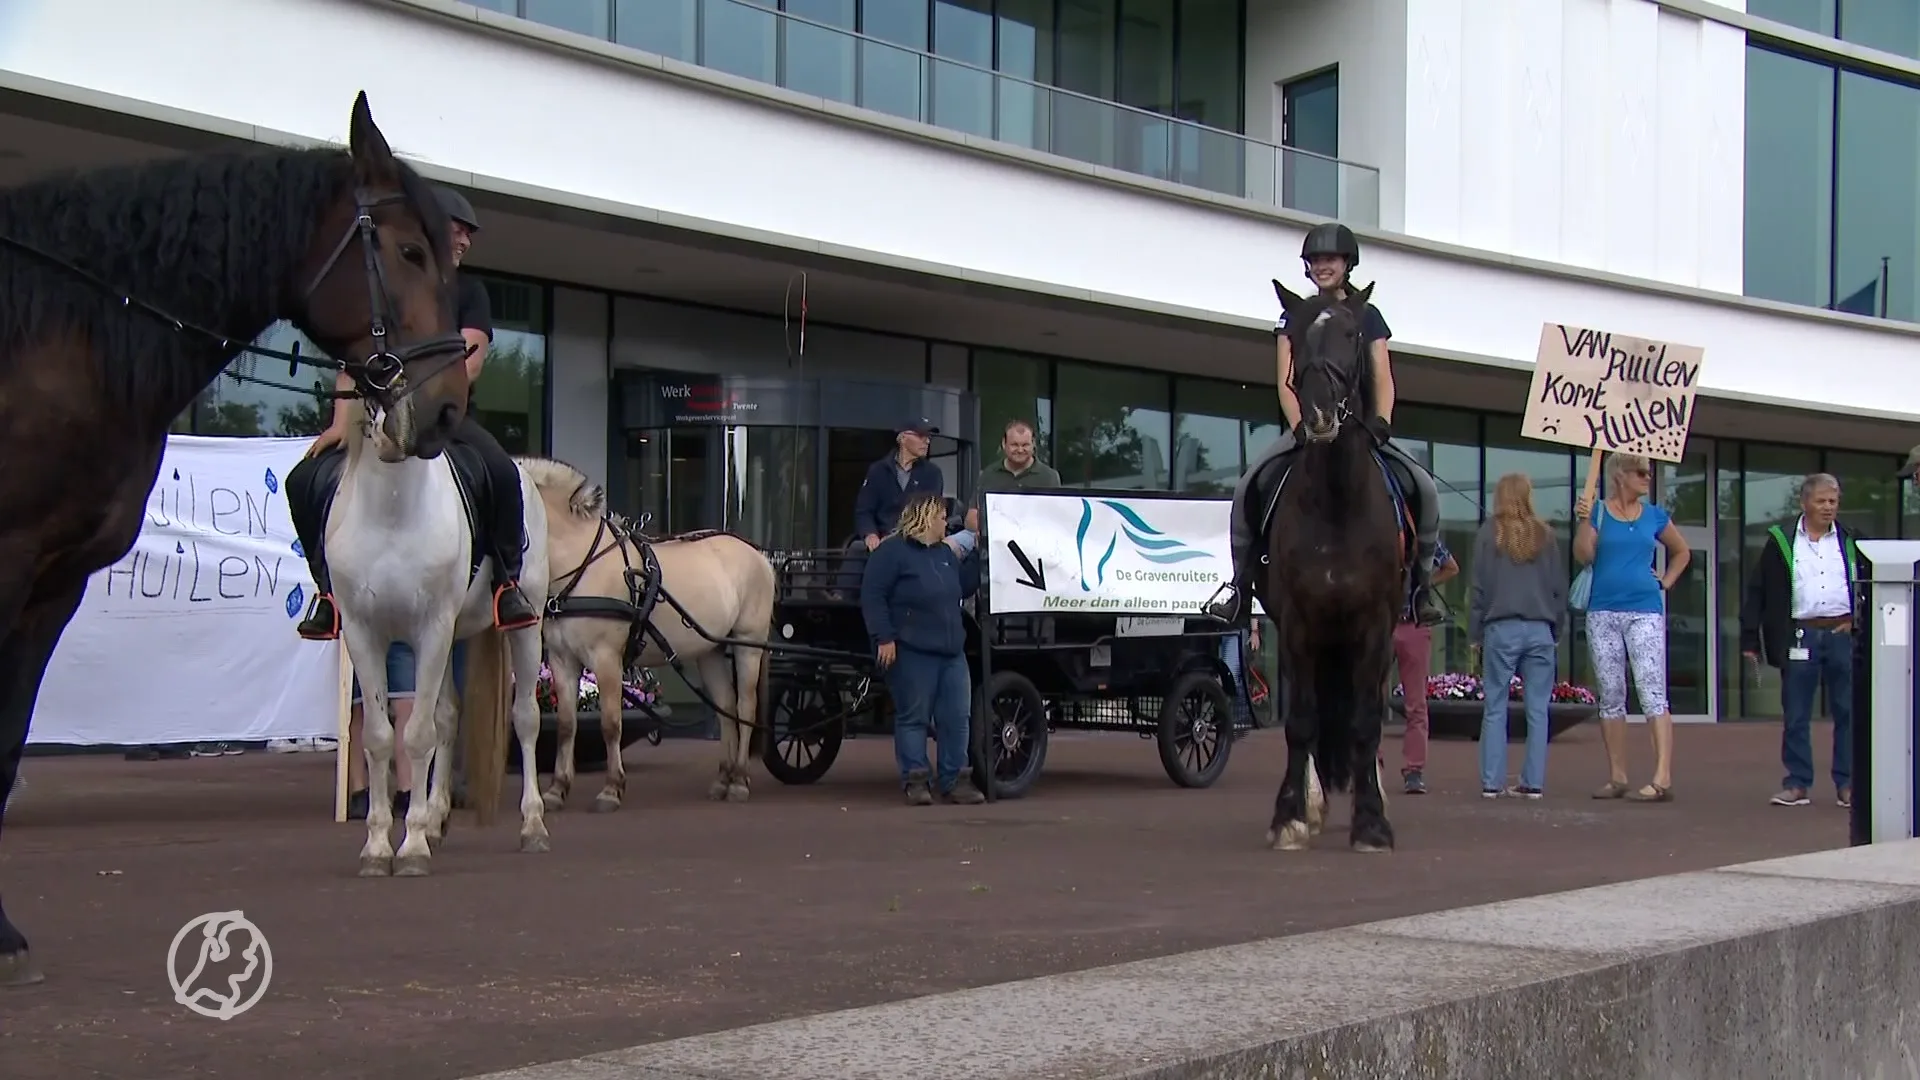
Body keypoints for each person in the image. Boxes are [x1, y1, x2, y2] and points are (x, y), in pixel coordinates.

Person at [287, 185, 538, 640]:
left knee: (501, 472)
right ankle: (327, 593)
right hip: (373, 418)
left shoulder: (469, 292)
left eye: (468, 234)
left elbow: (473, 359)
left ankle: (507, 583)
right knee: (301, 481)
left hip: (444, 416)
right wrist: (340, 422)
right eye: (456, 230)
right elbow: (352, 362)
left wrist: (419, 394)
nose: (464, 240)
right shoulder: (389, 289)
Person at [1204, 222, 1445, 627]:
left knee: (1424, 486)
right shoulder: (1294, 314)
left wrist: (1382, 422)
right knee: (1249, 485)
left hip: (1362, 431)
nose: (1322, 266)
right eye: (1314, 260)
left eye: (1329, 259)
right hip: (1308, 428)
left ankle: (1421, 589)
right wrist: (1300, 426)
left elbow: (1383, 376)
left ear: (1347, 263)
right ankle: (1240, 587)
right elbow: (1285, 379)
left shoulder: (1367, 315)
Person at [1740, 472, 1861, 810]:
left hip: (1841, 634)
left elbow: (1868, 584)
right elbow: (1758, 590)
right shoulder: (1781, 540)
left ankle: (1848, 784)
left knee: (1849, 712)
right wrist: (1750, 636)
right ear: (1804, 502)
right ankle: (1796, 783)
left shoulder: (1851, 539)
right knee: (1796, 713)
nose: (1828, 508)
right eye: (1821, 501)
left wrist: (1857, 620)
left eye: (1833, 501)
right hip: (1800, 633)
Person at [1574, 451, 1689, 803]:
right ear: (1620, 475)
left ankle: (1662, 776)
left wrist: (1666, 581)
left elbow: (1681, 551)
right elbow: (1583, 555)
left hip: (1644, 610)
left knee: (1652, 689)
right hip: (1603, 611)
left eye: (1648, 472)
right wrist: (1583, 519)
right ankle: (1617, 776)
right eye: (1640, 472)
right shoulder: (1597, 512)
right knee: (1611, 694)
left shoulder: (1654, 515)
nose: (1647, 477)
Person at [860, 493, 985, 806]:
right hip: (912, 650)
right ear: (927, 517)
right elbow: (873, 596)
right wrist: (884, 638)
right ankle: (916, 779)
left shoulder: (943, 554)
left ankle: (955, 779)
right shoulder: (891, 553)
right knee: (913, 716)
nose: (947, 522)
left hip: (951, 650)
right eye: (943, 517)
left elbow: (963, 585)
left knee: (957, 717)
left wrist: (980, 553)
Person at [1469, 473, 1569, 799]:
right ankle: (1533, 783)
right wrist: (1557, 629)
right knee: (1538, 710)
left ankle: (1491, 782)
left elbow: (1479, 589)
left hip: (1501, 627)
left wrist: (1475, 634)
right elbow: (1558, 589)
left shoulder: (1489, 533)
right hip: (1540, 628)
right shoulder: (1547, 535)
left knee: (1495, 706)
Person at [1391, 539, 1458, 795]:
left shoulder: (1421, 535)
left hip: (1410, 624)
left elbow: (1452, 567)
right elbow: (1451, 567)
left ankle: (1413, 769)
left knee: (1415, 702)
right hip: (1395, 625)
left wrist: (1423, 586)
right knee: (1378, 700)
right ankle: (1384, 765)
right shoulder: (1418, 534)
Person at [852, 418, 946, 551]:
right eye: (920, 436)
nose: (927, 441)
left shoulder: (933, 474)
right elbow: (864, 511)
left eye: (929, 437)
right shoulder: (878, 471)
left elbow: (929, 516)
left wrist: (894, 539)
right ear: (902, 438)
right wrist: (870, 535)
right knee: (856, 551)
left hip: (916, 544)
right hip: (880, 543)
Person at [963, 419, 1062, 540]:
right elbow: (971, 518)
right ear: (1004, 444)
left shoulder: (1049, 477)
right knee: (953, 543)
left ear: (1033, 444)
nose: (1020, 450)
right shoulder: (989, 474)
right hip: (993, 538)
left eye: (1025, 445)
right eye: (1014, 445)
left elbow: (1056, 520)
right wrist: (990, 531)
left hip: (1034, 541)